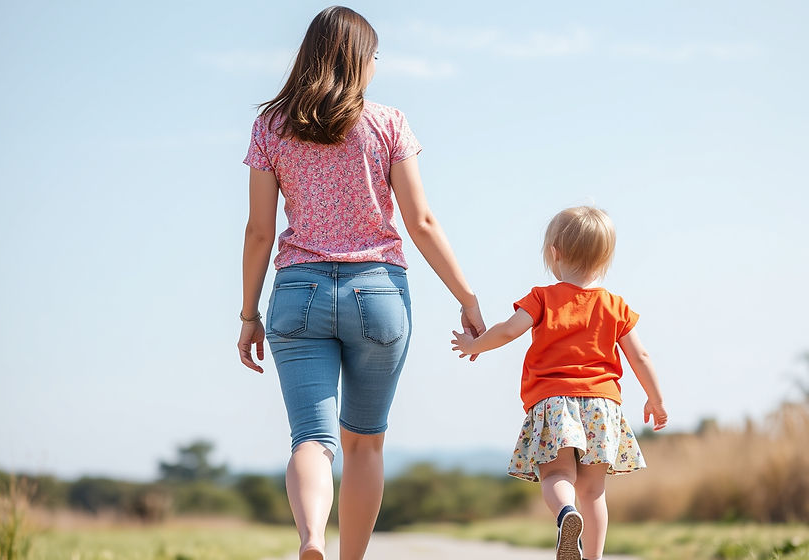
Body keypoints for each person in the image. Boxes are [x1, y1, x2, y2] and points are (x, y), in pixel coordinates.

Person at [237, 6, 485, 560]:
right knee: (364, 442)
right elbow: (421, 223)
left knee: (312, 440)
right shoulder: (389, 123)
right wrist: (467, 298)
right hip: (377, 293)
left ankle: (310, 539)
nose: (377, 66)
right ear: (358, 61)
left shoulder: (270, 127)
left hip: (297, 292)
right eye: (374, 56)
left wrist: (249, 313)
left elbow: (259, 230)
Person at [450, 206, 667, 560]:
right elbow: (640, 357)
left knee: (556, 476)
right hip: (602, 403)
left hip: (554, 403)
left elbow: (507, 330)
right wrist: (655, 399)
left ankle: (566, 513)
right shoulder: (615, 306)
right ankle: (593, 556)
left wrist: (475, 344)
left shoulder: (542, 297)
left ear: (554, 253)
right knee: (595, 491)